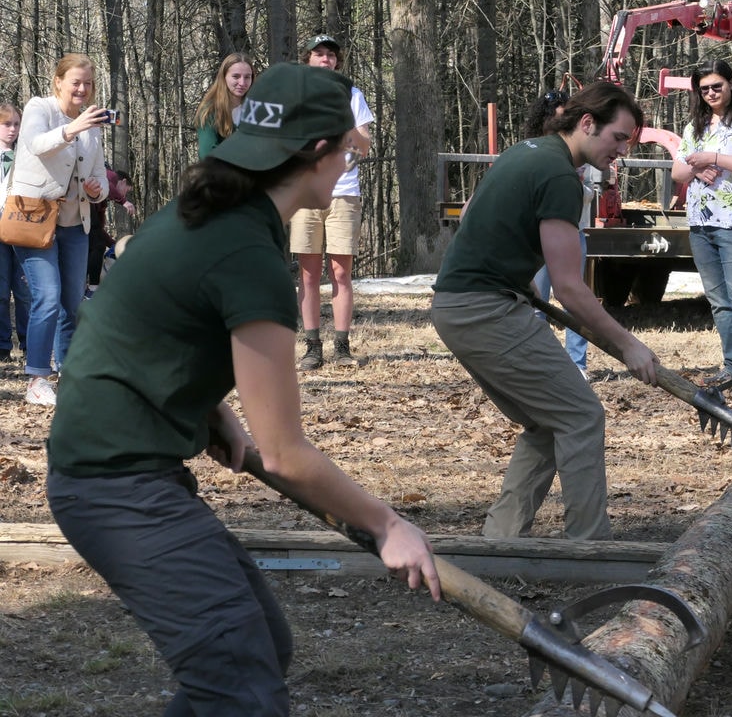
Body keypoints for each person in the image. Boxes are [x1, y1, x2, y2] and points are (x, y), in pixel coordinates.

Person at [45, 62, 441, 715]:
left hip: (123, 467)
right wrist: (388, 524)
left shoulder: (214, 215)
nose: (349, 160)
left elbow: (133, 322)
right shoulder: (247, 253)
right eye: (345, 148)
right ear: (315, 155)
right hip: (113, 483)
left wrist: (206, 408)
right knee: (239, 679)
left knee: (257, 651)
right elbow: (286, 454)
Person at [432, 82, 657, 541]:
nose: (621, 150)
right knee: (580, 416)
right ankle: (589, 549)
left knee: (546, 421)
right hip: (483, 310)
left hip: (459, 306)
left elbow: (477, 217)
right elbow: (571, 288)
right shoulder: (559, 176)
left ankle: (501, 543)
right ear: (587, 123)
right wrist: (629, 345)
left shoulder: (526, 151)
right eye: (618, 137)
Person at [11, 53, 110, 406]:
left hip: (75, 222)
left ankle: (69, 372)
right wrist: (73, 128)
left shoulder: (93, 124)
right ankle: (37, 378)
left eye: (87, 83)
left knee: (72, 301)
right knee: (48, 296)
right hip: (35, 218)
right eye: (76, 82)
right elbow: (36, 144)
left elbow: (98, 173)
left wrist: (98, 188)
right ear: (59, 82)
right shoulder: (40, 108)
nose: (82, 89)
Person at [670, 59, 732, 388]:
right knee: (719, 301)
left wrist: (712, 157)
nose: (711, 93)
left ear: (731, 84)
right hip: (701, 224)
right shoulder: (694, 127)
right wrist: (697, 169)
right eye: (704, 89)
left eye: (717, 86)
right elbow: (677, 172)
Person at [292, 35, 374, 369]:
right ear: (308, 60)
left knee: (341, 273)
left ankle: (342, 347)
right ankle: (312, 347)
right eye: (319, 54)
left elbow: (363, 142)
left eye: (330, 55)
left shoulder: (352, 95)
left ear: (337, 62)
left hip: (343, 193)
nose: (325, 60)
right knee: (308, 275)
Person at [526, 89, 593, 377]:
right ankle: (538, 363)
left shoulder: (581, 155)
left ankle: (577, 364)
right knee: (536, 302)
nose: (563, 123)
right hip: (535, 237)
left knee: (574, 300)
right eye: (559, 116)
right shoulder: (529, 150)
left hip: (572, 233)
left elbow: (591, 195)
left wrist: (576, 186)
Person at [0, 102, 30, 361]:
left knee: (23, 290)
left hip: (21, 226)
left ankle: (29, 343)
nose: (12, 129)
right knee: (0, 291)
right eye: (6, 124)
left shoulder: (26, 156)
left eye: (16, 124)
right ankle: (2, 346)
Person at [84, 167, 135, 298]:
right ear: (122, 182)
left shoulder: (102, 201)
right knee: (98, 246)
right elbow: (107, 182)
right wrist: (124, 202)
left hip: (88, 219)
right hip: (82, 212)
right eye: (126, 191)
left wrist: (114, 245)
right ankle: (93, 287)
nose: (124, 195)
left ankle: (86, 285)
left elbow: (98, 230)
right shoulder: (110, 176)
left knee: (95, 245)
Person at [195, 52, 256, 159]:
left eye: (247, 77)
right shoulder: (209, 111)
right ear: (224, 77)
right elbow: (207, 155)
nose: (242, 83)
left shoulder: (258, 109)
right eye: (236, 76)